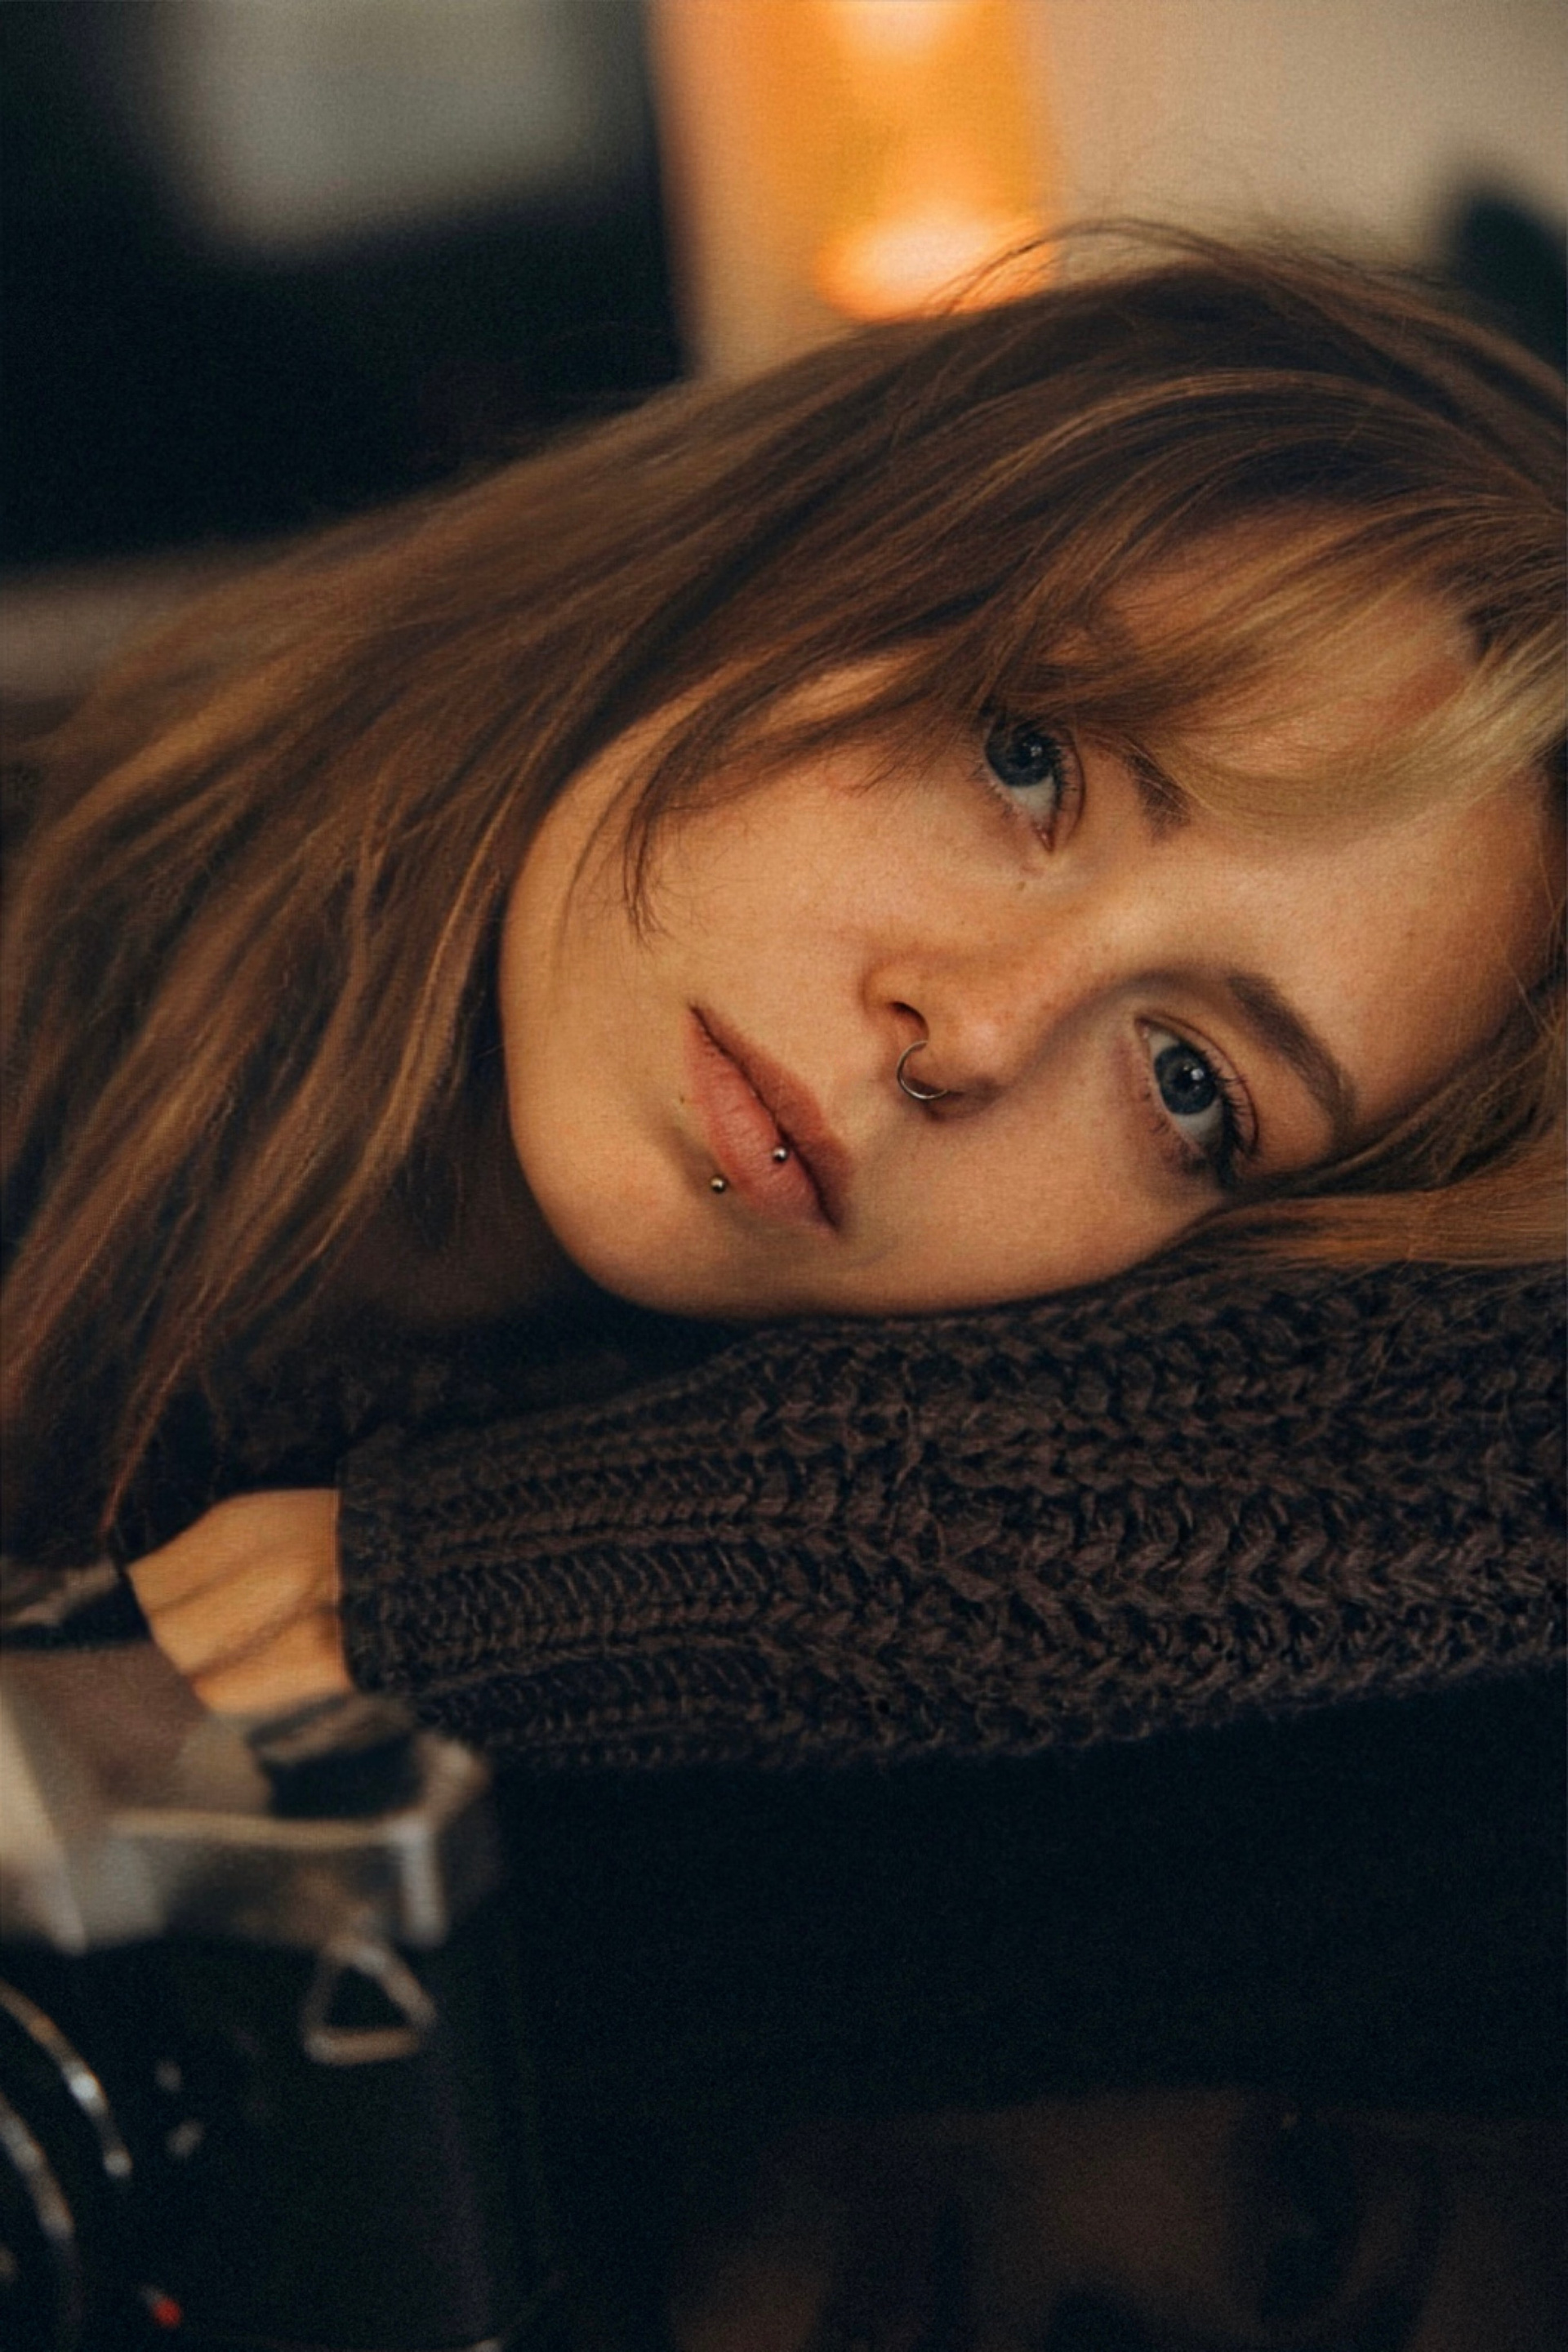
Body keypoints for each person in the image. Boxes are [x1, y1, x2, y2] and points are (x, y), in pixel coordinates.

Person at [2, 234, 1562, 2350]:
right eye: (1029, 756)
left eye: (1190, 1083)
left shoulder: (743, 1633)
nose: (973, 1028)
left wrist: (545, 1570)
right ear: (824, 546)